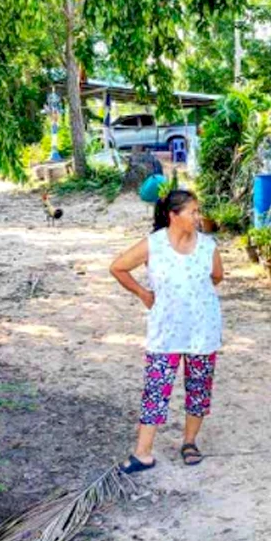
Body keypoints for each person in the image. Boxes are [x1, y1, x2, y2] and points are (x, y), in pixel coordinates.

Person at [110, 190, 224, 472]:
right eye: (192, 212)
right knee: (156, 389)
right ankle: (143, 453)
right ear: (173, 216)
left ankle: (189, 442)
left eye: (199, 211)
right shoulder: (154, 244)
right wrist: (143, 294)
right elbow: (118, 267)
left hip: (203, 329)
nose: (198, 217)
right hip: (166, 331)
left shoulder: (208, 246)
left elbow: (217, 276)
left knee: (199, 388)